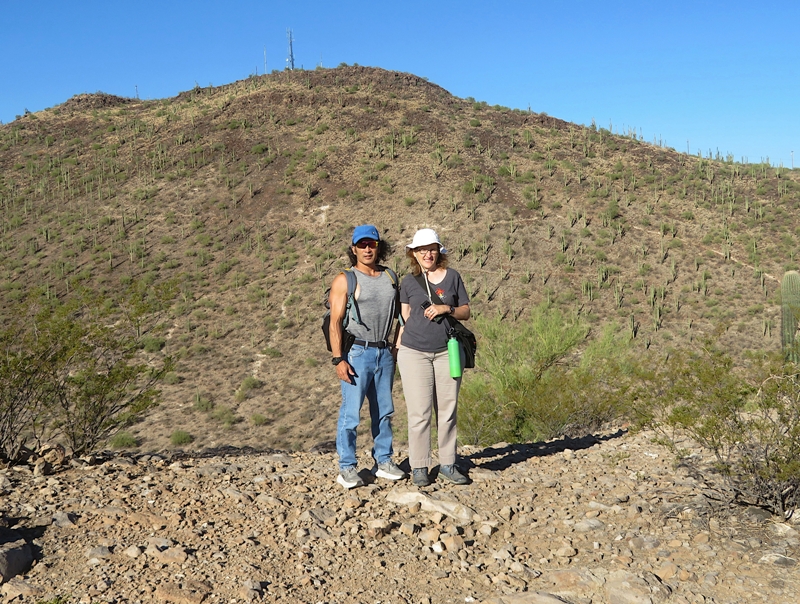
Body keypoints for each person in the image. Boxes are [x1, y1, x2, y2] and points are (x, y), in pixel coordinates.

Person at [329, 224, 406, 489]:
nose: (367, 249)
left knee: (384, 411)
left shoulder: (390, 277)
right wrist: (338, 359)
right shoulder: (345, 279)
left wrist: (395, 348)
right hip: (357, 353)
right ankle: (347, 467)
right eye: (361, 245)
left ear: (378, 247)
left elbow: (401, 316)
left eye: (371, 244)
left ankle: (383, 461)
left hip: (384, 351)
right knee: (351, 413)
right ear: (353, 249)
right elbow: (335, 321)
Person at [396, 228, 471, 486]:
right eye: (422, 250)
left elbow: (465, 311)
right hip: (414, 352)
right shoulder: (408, 282)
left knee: (447, 410)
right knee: (420, 413)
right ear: (414, 254)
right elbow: (405, 317)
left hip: (447, 351)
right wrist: (399, 347)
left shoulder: (453, 277)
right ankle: (419, 466)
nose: (427, 254)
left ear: (439, 251)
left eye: (431, 249)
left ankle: (448, 464)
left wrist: (446, 308)